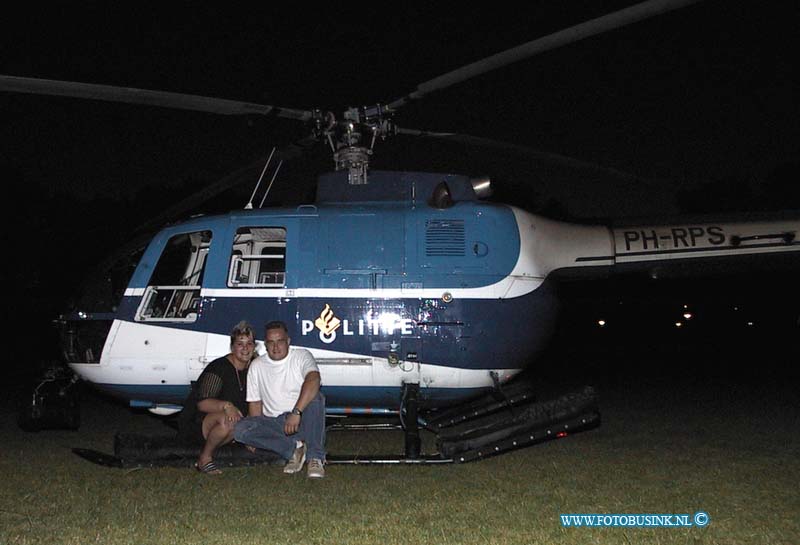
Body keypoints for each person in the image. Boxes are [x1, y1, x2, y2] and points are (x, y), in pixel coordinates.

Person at [234, 320, 326, 478]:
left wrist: (296, 412)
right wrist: (255, 436)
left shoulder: (301, 356)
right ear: (265, 344)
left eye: (280, 342)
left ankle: (315, 457)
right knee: (240, 429)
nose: (276, 347)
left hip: (303, 420)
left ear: (288, 341)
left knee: (316, 397)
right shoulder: (257, 365)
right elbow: (255, 404)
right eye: (271, 343)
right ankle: (294, 449)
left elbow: (314, 379)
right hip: (276, 424)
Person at [178, 321, 255, 474]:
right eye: (240, 344)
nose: (245, 348)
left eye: (249, 343)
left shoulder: (254, 368)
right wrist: (227, 406)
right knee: (229, 420)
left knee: (236, 423)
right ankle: (204, 459)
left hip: (233, 424)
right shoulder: (219, 367)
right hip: (199, 422)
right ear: (232, 347)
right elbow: (202, 404)